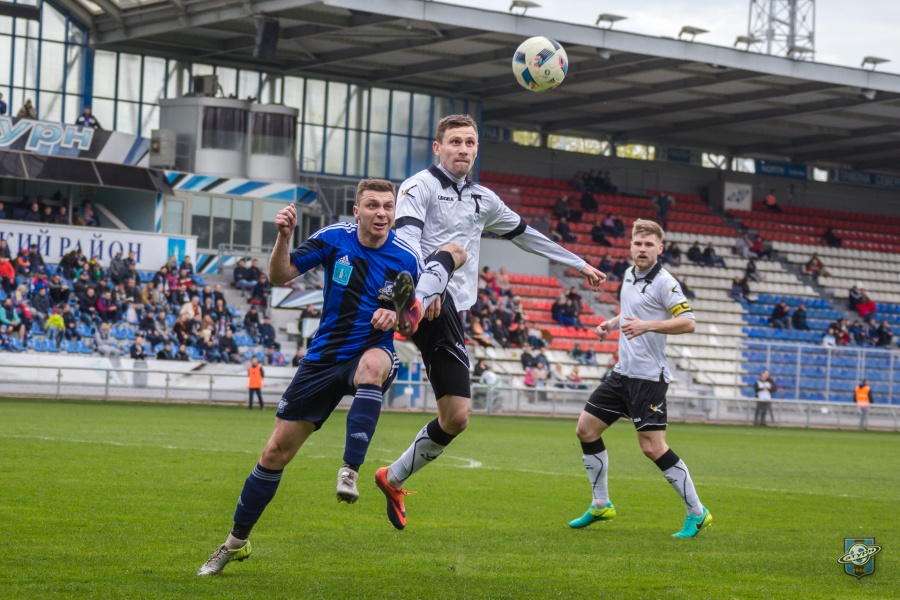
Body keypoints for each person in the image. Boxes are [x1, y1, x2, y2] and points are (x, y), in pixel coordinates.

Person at [373, 114, 604, 531]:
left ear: (477, 149)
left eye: (469, 142)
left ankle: (393, 477)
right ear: (438, 148)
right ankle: (404, 313)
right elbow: (404, 242)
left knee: (456, 417)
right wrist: (425, 290)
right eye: (455, 141)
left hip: (451, 312)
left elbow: (527, 235)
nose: (463, 149)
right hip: (418, 293)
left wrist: (578, 263)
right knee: (448, 254)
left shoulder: (484, 199)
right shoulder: (418, 186)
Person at [197, 178, 420, 576]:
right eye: (372, 205)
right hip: (322, 360)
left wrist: (397, 314)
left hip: (373, 350)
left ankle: (349, 471)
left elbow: (412, 317)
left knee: (372, 368)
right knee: (274, 454)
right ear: (357, 211)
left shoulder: (406, 257)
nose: (381, 213)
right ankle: (235, 543)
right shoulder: (334, 239)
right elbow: (280, 275)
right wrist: (283, 237)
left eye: (388, 206)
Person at [568, 218, 711, 538]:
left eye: (648, 245)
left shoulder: (666, 283)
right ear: (630, 246)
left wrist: (647, 326)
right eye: (638, 243)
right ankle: (601, 504)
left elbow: (688, 322)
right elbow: (633, 312)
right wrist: (611, 324)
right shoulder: (629, 274)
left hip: (648, 378)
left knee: (652, 447)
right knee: (586, 429)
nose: (642, 249)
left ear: (660, 249)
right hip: (622, 373)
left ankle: (697, 512)